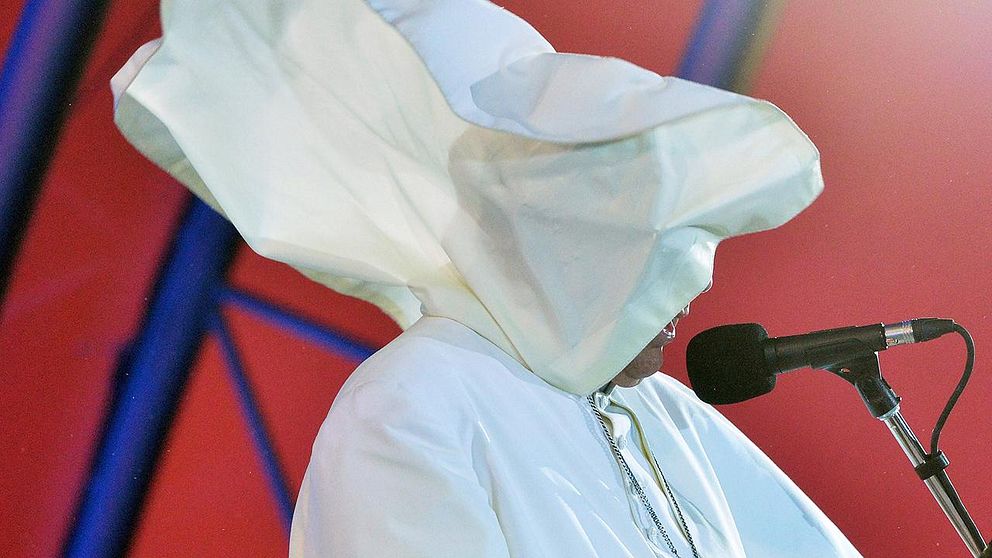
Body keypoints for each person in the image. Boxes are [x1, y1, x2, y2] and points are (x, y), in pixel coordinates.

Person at [111, 1, 863, 556]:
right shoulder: (411, 404)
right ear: (565, 245)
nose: (694, 286)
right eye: (656, 242)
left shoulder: (671, 415)